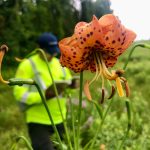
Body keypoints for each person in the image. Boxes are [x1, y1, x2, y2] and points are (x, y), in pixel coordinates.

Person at [13, 32, 77, 150]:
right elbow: (19, 94)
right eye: (49, 52)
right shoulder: (27, 65)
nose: (52, 55)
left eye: (54, 51)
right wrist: (43, 96)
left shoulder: (60, 63)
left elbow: (67, 88)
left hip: (60, 119)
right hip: (38, 121)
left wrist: (71, 87)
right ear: (39, 48)